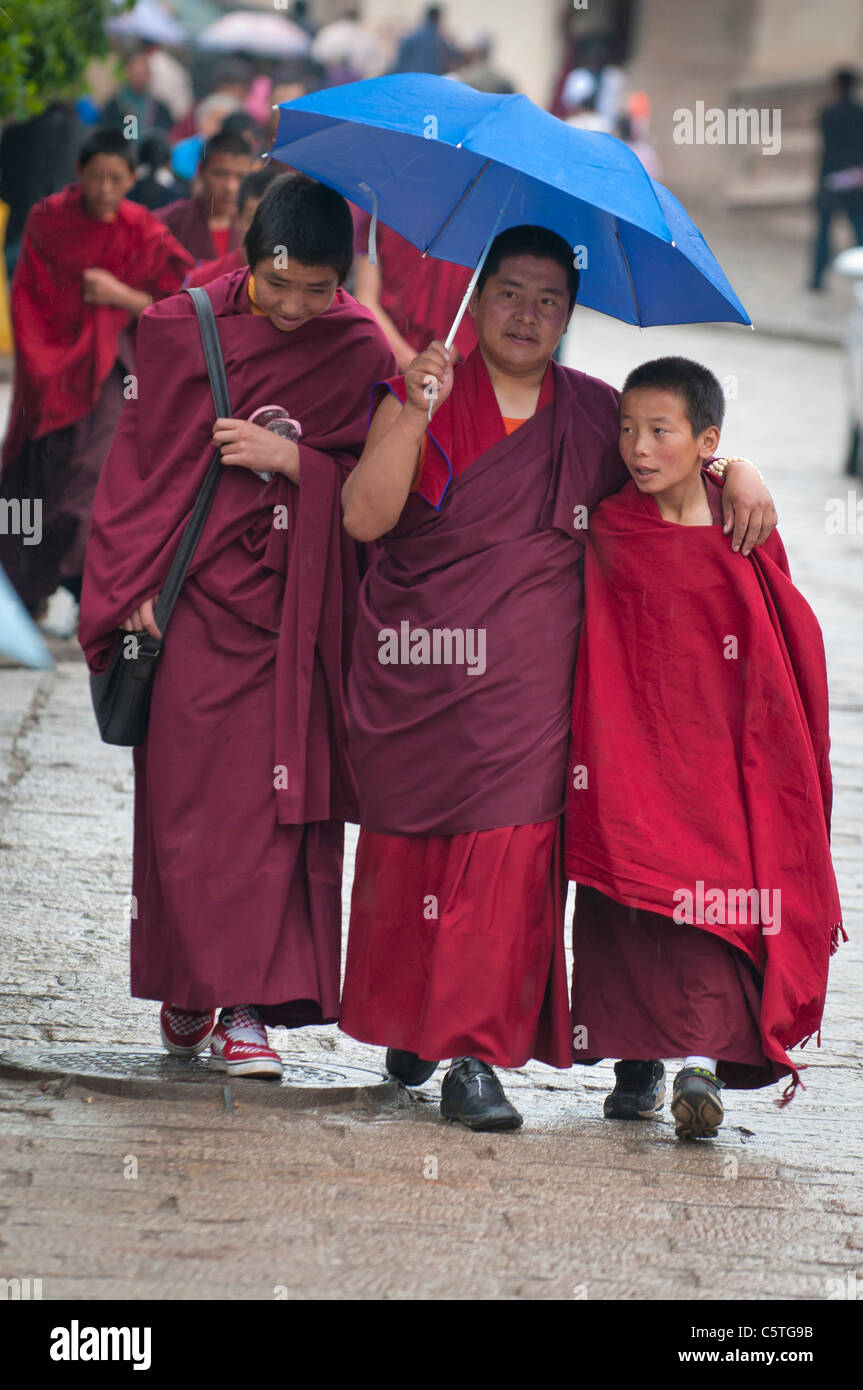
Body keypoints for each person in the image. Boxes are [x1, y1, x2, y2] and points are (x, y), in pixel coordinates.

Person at [339, 224, 777, 1131]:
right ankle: (414, 1019)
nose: (526, 314)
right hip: (421, 678)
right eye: (508, 293)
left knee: (502, 871)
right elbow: (363, 518)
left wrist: (738, 468)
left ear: (569, 313)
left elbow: (667, 470)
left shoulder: (590, 412)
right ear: (477, 294)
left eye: (547, 299)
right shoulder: (419, 392)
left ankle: (471, 1054)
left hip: (531, 696)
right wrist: (412, 410)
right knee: (413, 859)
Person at [78, 174, 395, 1077]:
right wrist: (133, 582)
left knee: (275, 816)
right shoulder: (183, 327)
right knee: (187, 810)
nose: (296, 308)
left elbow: (376, 490)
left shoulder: (359, 347)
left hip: (294, 614)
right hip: (189, 608)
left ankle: (247, 1008)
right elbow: (137, 465)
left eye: (317, 289)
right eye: (279, 283)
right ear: (250, 258)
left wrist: (293, 459)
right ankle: (189, 980)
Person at [565, 356, 843, 1138]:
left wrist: (740, 472)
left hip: (721, 758)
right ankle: (635, 1062)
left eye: (660, 432)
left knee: (713, 903)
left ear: (704, 441)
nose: (638, 448)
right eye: (627, 430)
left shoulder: (739, 521)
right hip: (627, 751)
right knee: (629, 900)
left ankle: (697, 1060)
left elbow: (783, 637)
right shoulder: (612, 523)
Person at [0, 127, 192, 622]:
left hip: (110, 371)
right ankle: (26, 597)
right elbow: (28, 299)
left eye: (116, 178)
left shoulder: (142, 230)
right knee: (36, 482)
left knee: (94, 475)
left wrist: (120, 297)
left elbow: (180, 304)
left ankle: (89, 586)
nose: (106, 189)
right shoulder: (48, 220)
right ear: (80, 174)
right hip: (48, 376)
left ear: (131, 178)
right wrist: (43, 367)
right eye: (96, 177)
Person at [352, 210, 476, 372]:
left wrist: (437, 366)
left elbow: (477, 314)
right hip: (382, 358)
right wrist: (412, 364)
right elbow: (366, 299)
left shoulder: (482, 222)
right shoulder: (379, 206)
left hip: (447, 372)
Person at [157, 131, 252, 263]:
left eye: (240, 177)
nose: (231, 187)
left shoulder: (251, 230)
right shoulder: (168, 223)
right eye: (220, 174)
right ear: (201, 171)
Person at [184, 165, 282, 288]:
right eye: (254, 221)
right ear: (237, 219)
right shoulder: (204, 282)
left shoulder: (301, 284)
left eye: (275, 222)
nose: (266, 232)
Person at [809, 68, 863, 290]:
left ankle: (817, 279)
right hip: (855, 180)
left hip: (830, 179)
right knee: (859, 232)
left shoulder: (828, 113)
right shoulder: (859, 114)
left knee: (823, 232)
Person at [101, 46, 173, 144]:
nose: (139, 78)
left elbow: (165, 133)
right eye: (137, 73)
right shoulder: (116, 103)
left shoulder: (158, 107)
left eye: (142, 74)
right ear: (128, 73)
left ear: (149, 75)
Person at [390, 6, 460, 77]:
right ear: (438, 18)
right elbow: (453, 58)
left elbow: (399, 62)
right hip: (430, 78)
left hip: (410, 77)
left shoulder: (412, 35)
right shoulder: (441, 39)